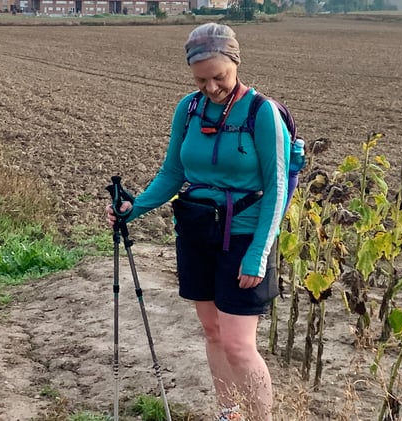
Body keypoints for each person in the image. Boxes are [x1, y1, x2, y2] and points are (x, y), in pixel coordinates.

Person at [105, 23, 290, 421]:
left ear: (235, 63)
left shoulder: (263, 114)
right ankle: (229, 413)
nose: (210, 87)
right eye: (201, 78)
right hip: (196, 233)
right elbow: (173, 173)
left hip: (244, 239)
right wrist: (132, 209)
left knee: (239, 345)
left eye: (218, 77)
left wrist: (258, 254)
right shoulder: (188, 108)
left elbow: (277, 190)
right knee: (213, 333)